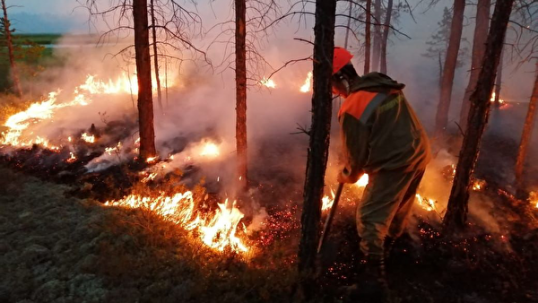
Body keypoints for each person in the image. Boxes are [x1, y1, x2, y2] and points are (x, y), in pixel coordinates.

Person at [332, 47, 431, 300]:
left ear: (340, 79)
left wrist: (345, 175)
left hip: (394, 162)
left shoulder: (352, 107)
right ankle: (389, 255)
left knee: (369, 217)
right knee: (397, 209)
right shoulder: (380, 83)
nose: (335, 93)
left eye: (333, 86)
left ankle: (373, 286)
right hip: (418, 153)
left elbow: (355, 162)